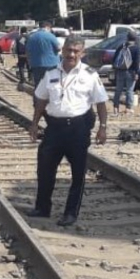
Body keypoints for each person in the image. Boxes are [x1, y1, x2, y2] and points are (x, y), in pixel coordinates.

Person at [27, 34, 109, 227]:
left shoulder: (90, 75)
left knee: (78, 173)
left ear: (82, 53)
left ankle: (71, 213)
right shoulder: (50, 74)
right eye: (68, 50)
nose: (71, 54)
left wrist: (103, 128)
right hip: (54, 128)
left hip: (78, 129)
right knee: (45, 169)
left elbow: (101, 103)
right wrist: (34, 123)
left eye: (75, 51)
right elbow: (41, 100)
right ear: (62, 50)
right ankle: (42, 208)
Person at [26, 21, 61, 91]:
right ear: (48, 27)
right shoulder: (51, 36)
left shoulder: (32, 37)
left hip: (36, 64)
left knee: (38, 85)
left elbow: (27, 51)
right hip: (51, 64)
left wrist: (29, 62)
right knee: (52, 85)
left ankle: (37, 101)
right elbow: (58, 48)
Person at [111, 32, 140, 115]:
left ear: (127, 38)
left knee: (118, 90)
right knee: (129, 90)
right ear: (135, 39)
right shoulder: (136, 48)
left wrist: (115, 68)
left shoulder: (122, 46)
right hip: (130, 72)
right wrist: (136, 73)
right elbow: (136, 62)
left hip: (120, 70)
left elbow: (115, 58)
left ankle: (116, 108)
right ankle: (128, 108)